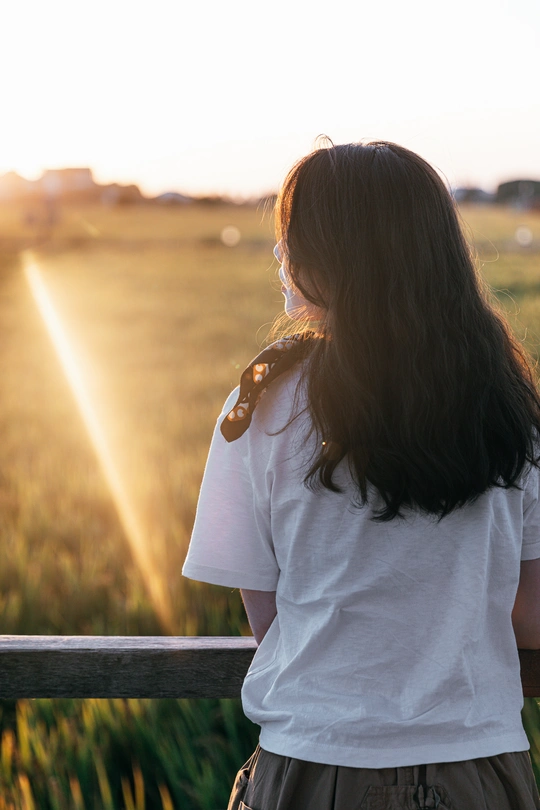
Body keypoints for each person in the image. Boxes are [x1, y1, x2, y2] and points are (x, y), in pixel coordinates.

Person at [182, 139, 540, 810]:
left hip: (316, 762)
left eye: (292, 240)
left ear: (327, 259)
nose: (281, 256)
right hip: (478, 765)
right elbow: (531, 618)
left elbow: (269, 618)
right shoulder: (507, 404)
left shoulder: (259, 407)